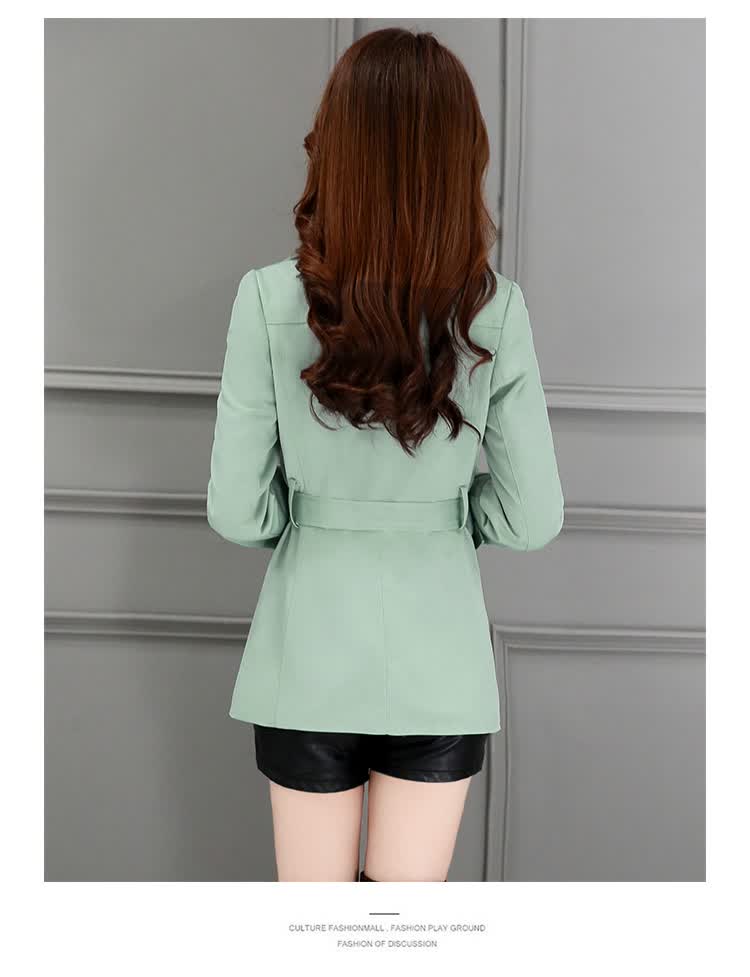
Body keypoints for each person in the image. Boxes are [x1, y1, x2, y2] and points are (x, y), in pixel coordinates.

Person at [206, 27, 564, 882]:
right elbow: (531, 517)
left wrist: (318, 521)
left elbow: (237, 510)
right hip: (441, 658)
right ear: (458, 159)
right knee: (402, 931)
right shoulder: (496, 310)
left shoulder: (266, 298)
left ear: (335, 149)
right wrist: (443, 520)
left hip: (305, 650)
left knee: (315, 927)